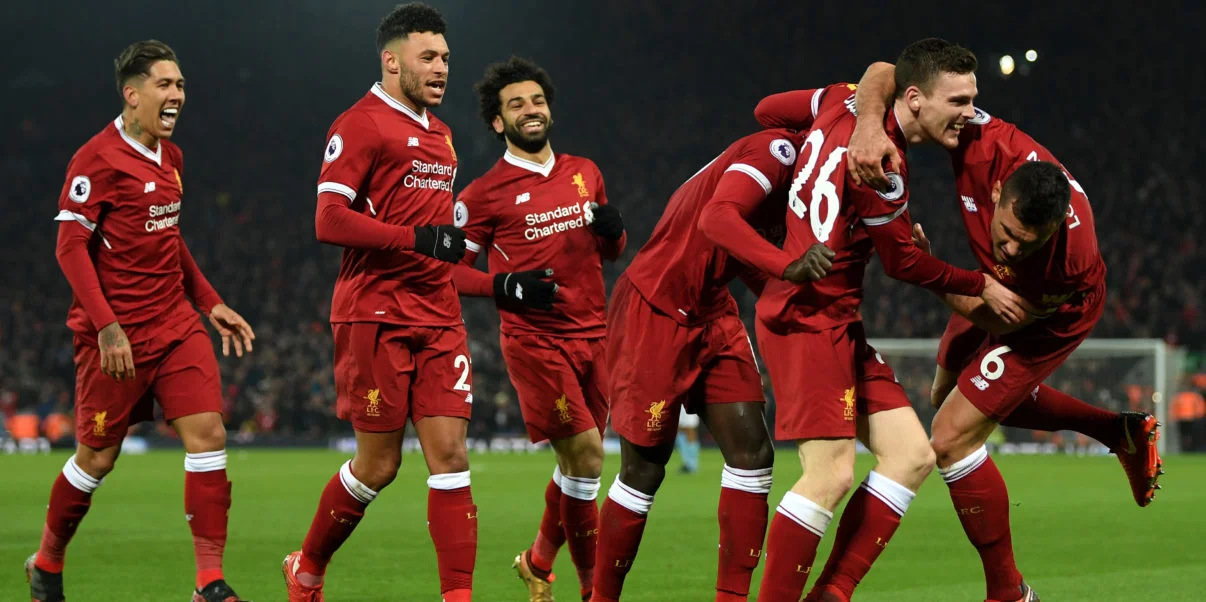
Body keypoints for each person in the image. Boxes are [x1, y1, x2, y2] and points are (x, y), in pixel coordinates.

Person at [814, 60, 1166, 602]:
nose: (1013, 246)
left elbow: (997, 315)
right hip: (989, 287)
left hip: (1048, 316)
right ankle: (1118, 431)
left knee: (950, 436)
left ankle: (1008, 592)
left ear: (1053, 229)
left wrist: (931, 273)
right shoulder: (980, 139)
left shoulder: (1067, 259)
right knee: (946, 396)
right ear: (998, 189)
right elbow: (886, 70)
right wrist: (866, 126)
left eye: (1028, 241)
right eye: (1009, 232)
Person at [750, 39, 1034, 602]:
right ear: (915, 98)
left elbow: (767, 111)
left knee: (912, 456)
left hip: (837, 322)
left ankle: (830, 595)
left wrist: (823, 156)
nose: (970, 112)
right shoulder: (884, 164)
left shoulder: (841, 100)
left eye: (973, 98)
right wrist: (980, 283)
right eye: (957, 100)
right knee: (829, 475)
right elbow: (903, 263)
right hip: (807, 319)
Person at [26, 39, 256, 602]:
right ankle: (47, 562)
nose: (177, 94)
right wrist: (107, 327)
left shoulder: (171, 159)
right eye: (165, 85)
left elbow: (169, 239)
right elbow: (69, 247)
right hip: (116, 338)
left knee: (209, 436)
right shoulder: (95, 160)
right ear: (132, 95)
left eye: (180, 85)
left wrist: (210, 302)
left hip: (175, 325)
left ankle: (208, 581)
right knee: (96, 459)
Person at [591, 116, 840, 602]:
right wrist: (786, 266)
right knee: (645, 470)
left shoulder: (812, 185)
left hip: (713, 310)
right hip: (655, 308)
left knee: (754, 456)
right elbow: (717, 220)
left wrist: (805, 313)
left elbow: (746, 258)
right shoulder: (777, 152)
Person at [281, 5, 476, 601]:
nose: (441, 68)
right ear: (392, 61)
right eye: (428, 57)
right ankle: (307, 569)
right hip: (375, 312)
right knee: (379, 466)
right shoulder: (360, 124)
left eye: (445, 57)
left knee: (451, 457)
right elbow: (329, 219)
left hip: (439, 315)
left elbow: (437, 236)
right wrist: (417, 238)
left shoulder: (443, 135)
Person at [451, 56, 625, 602]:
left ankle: (537, 563)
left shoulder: (585, 171)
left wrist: (615, 233)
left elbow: (610, 250)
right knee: (589, 458)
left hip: (595, 335)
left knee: (576, 467)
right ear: (498, 121)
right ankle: (594, 590)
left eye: (537, 100)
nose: (530, 110)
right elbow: (450, 271)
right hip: (536, 342)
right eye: (516, 104)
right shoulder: (483, 194)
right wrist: (504, 286)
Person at [676, 406, 701, 474]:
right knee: (679, 430)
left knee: (690, 431)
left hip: (688, 405)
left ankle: (692, 465)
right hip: (678, 405)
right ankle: (687, 463)